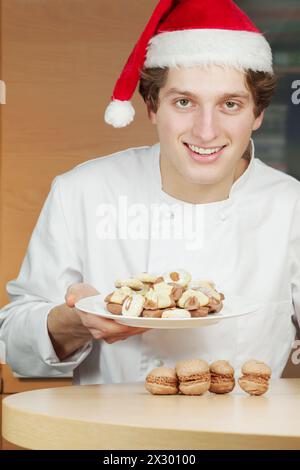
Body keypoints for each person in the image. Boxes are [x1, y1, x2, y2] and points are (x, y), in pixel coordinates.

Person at [0, 0, 299, 384]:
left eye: (230, 104)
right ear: (152, 107)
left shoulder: (291, 207)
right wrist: (75, 321)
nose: (206, 131)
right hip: (114, 439)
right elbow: (13, 341)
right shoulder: (82, 192)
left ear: (257, 115)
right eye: (184, 101)